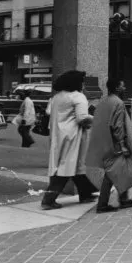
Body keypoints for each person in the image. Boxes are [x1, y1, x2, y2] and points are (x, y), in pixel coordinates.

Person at [41, 70, 96, 210]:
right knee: (66, 168)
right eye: (82, 81)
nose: (84, 84)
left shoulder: (56, 97)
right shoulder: (78, 97)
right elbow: (82, 117)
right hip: (73, 137)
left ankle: (86, 194)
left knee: (74, 167)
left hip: (58, 135)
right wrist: (96, 119)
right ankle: (48, 200)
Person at [86, 78, 132, 213]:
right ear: (117, 88)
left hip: (105, 142)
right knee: (111, 174)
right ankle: (103, 205)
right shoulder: (118, 103)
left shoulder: (104, 101)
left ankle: (124, 199)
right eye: (122, 86)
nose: (125, 88)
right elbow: (117, 127)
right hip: (115, 144)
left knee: (120, 171)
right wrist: (122, 145)